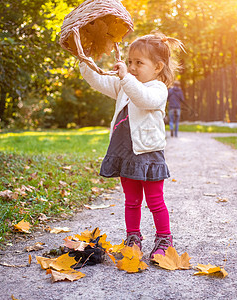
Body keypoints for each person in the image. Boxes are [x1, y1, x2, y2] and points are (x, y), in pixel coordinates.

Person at [79, 32, 185, 260]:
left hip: (149, 155)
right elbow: (99, 81)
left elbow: (143, 99)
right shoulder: (125, 85)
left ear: (157, 67)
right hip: (125, 154)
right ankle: (133, 237)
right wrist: (84, 61)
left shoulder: (158, 89)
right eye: (129, 62)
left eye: (139, 63)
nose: (132, 67)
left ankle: (164, 238)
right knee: (132, 201)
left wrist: (126, 78)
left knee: (155, 201)